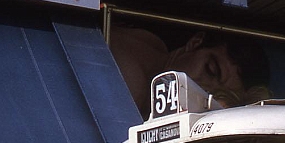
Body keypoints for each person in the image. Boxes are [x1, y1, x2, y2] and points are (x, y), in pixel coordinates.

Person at [110, 27, 272, 117]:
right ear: (195, 42)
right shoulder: (132, 80)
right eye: (210, 70)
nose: (205, 91)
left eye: (218, 95)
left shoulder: (153, 44)